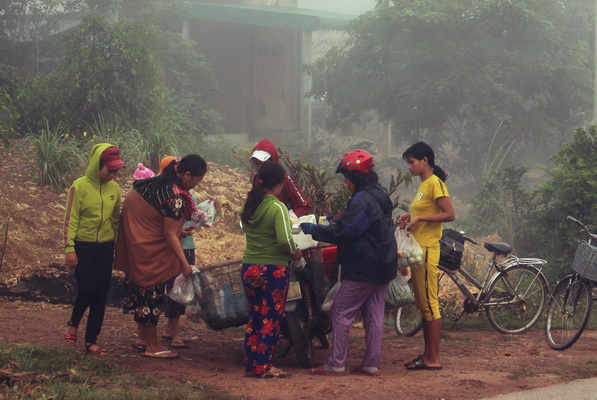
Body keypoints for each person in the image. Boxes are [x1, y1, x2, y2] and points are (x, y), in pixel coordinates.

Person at [300, 149, 397, 377]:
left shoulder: (363, 200)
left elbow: (346, 231)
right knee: (374, 314)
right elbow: (362, 226)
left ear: (355, 176)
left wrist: (316, 230)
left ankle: (336, 363)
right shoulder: (378, 195)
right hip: (384, 264)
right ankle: (371, 363)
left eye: (346, 177)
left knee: (340, 311)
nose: (345, 182)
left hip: (364, 266)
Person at [114, 154, 207, 359]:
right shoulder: (174, 196)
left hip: (134, 241)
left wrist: (176, 232)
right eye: (196, 181)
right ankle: (152, 346)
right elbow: (167, 234)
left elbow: (157, 219)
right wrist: (184, 263)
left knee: (140, 291)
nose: (195, 186)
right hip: (149, 248)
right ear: (187, 174)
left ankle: (143, 339)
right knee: (151, 293)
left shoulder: (154, 182)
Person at [240, 160, 303, 379]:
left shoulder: (249, 205)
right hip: (273, 269)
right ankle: (264, 366)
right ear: (279, 184)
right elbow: (285, 240)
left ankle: (251, 364)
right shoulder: (277, 207)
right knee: (271, 318)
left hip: (249, 267)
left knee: (255, 317)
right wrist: (296, 252)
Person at [62, 143, 126, 356]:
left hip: (105, 247)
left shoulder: (114, 189)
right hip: (83, 246)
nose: (114, 175)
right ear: (96, 165)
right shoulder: (78, 187)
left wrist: (120, 245)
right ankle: (73, 322)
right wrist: (69, 248)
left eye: (116, 171)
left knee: (101, 294)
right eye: (110, 170)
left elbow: (116, 219)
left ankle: (91, 341)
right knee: (88, 290)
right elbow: (70, 219)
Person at [397, 142, 455, 371]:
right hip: (418, 250)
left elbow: (449, 214)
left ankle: (434, 357)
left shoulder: (435, 184)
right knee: (423, 304)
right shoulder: (423, 186)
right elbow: (424, 212)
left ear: (425, 161)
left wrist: (420, 220)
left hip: (429, 250)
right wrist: (408, 217)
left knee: (430, 304)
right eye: (408, 163)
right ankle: (427, 354)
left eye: (411, 162)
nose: (409, 167)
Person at [158, 156, 196, 348]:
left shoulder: (186, 194)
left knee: (179, 289)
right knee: (174, 290)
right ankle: (173, 331)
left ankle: (171, 328)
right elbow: (169, 230)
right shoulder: (170, 195)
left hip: (186, 246)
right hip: (176, 248)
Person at [250, 139, 312, 216]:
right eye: (256, 163)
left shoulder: (285, 179)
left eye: (263, 163)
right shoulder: (256, 179)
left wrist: (287, 218)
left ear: (272, 161)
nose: (259, 166)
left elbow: (305, 206)